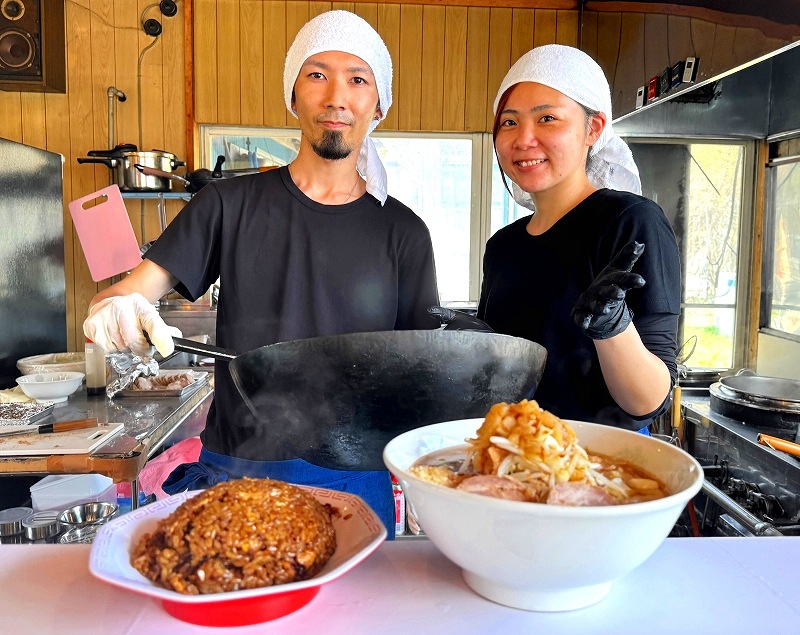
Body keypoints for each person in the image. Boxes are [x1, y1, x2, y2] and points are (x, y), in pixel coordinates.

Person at [83, 10, 440, 538]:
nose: (336, 97)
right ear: (292, 95)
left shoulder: (404, 232)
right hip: (241, 467)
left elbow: (421, 367)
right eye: (317, 74)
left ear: (378, 103)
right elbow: (131, 291)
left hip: (360, 474)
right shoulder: (227, 204)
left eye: (357, 79)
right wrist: (117, 309)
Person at [436, 44, 681, 433]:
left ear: (594, 129)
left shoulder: (629, 223)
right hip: (512, 457)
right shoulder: (504, 246)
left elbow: (648, 401)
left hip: (600, 467)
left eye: (547, 118)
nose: (523, 139)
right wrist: (483, 349)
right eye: (510, 122)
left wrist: (612, 329)